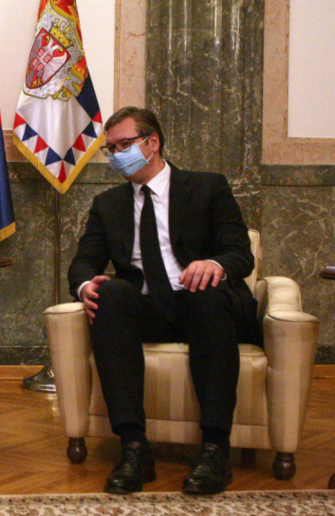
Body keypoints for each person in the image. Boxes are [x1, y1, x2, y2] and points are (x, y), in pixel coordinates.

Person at [68, 107, 261, 496]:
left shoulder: (207, 187)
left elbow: (241, 254)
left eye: (124, 144)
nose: (116, 154)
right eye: (110, 149)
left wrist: (214, 265)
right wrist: (86, 285)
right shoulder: (108, 204)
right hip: (147, 308)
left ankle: (215, 449)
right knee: (110, 293)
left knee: (206, 294)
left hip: (204, 307)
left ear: (152, 142)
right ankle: (134, 448)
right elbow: (84, 263)